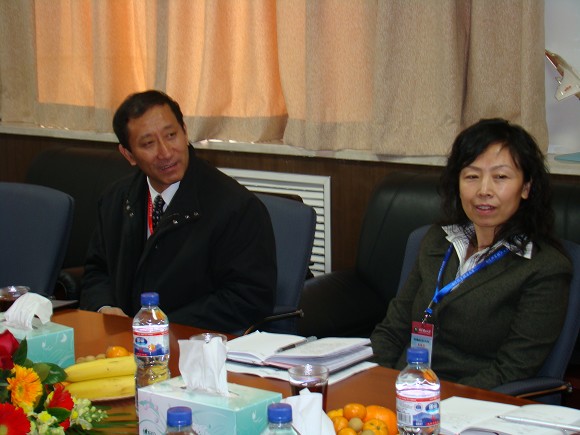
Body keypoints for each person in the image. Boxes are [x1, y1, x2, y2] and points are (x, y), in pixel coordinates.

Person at [370, 118, 572, 390]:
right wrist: (373, 380)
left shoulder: (544, 267)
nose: (484, 191)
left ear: (525, 187)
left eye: (500, 177)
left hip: (472, 400)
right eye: (472, 176)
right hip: (403, 386)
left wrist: (440, 400)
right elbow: (392, 329)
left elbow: (512, 369)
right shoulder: (438, 241)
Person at [79, 90, 277, 333]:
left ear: (184, 132)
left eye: (171, 135)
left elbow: (248, 298)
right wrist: (104, 307)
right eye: (148, 143)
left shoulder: (236, 207)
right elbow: (97, 270)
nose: (165, 152)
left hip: (194, 343)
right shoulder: (115, 199)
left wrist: (162, 327)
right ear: (129, 154)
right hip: (124, 341)